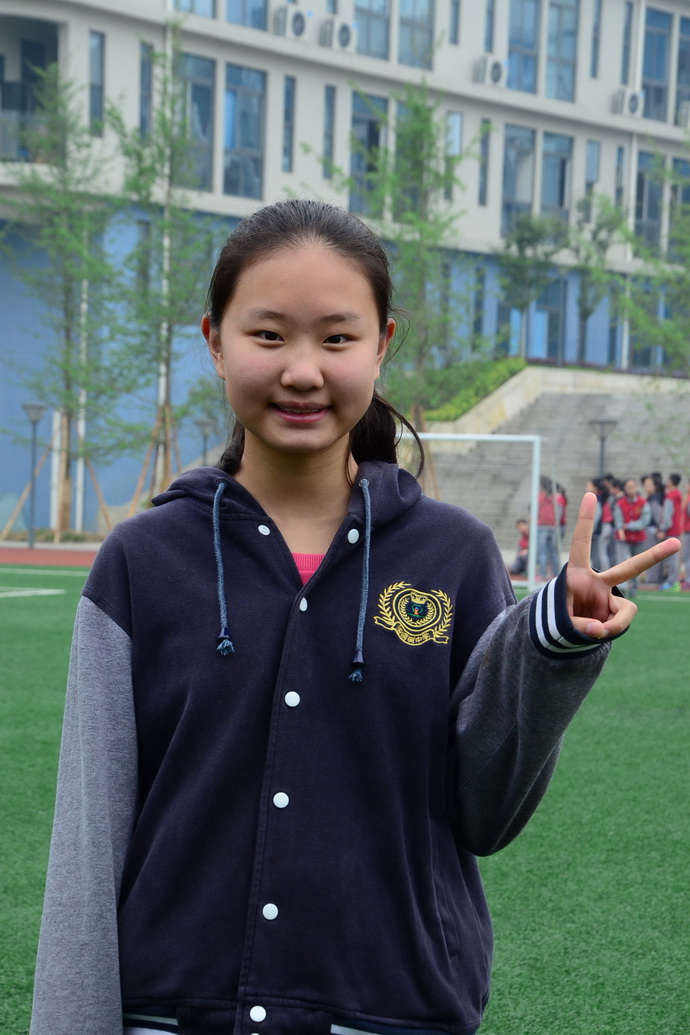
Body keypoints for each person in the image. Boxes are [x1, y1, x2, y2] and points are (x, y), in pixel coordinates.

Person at [30, 200, 680, 1035]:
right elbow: (88, 844)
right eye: (269, 335)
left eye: (337, 338)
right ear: (215, 341)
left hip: (391, 1010)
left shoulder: (453, 555)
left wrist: (550, 643)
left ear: (382, 344)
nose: (303, 370)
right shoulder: (141, 561)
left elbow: (487, 812)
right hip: (174, 1012)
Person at [613, 477, 651, 597]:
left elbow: (644, 521)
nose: (631, 489)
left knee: (637, 564)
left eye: (633, 487)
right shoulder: (620, 503)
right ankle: (622, 588)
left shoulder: (643, 503)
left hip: (638, 538)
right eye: (629, 487)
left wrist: (628, 526)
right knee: (622, 562)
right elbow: (618, 520)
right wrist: (621, 528)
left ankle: (634, 587)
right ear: (625, 488)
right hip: (623, 538)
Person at [658, 473, 683, 591]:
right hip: (676, 528)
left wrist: (663, 529)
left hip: (671, 530)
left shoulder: (671, 496)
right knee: (674, 557)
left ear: (671, 481)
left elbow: (668, 515)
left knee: (672, 557)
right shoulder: (678, 494)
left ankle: (672, 581)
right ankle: (673, 580)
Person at [536, 475, 561, 579]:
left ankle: (542, 573)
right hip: (553, 527)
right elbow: (559, 512)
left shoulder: (540, 497)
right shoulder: (557, 497)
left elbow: (536, 510)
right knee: (553, 552)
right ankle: (556, 573)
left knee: (543, 552)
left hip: (543, 526)